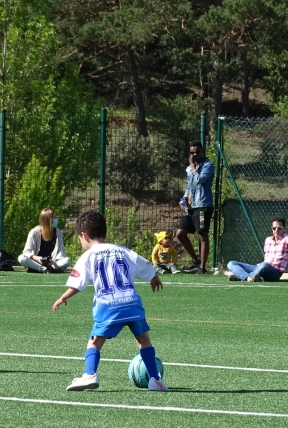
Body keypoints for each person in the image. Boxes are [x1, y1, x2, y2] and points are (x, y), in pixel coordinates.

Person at [52, 210, 168, 392]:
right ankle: (155, 380)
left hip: (108, 306)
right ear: (105, 233)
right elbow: (145, 265)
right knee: (143, 340)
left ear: (84, 235)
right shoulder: (123, 250)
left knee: (95, 341)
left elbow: (78, 284)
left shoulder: (88, 256)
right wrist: (154, 278)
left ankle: (89, 375)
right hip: (132, 304)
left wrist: (63, 297)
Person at [226, 217, 288, 282]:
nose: (276, 230)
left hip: (275, 272)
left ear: (284, 229)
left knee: (264, 265)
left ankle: (242, 277)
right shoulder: (268, 240)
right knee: (231, 263)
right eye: (274, 228)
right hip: (261, 267)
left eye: (279, 228)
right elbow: (266, 259)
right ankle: (248, 278)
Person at [176, 140, 214, 275]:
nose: (195, 154)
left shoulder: (208, 166)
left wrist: (193, 167)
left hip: (203, 206)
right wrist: (185, 198)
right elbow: (189, 186)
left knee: (202, 234)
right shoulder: (189, 169)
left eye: (197, 152)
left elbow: (200, 179)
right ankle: (195, 260)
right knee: (180, 233)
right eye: (192, 152)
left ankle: (202, 267)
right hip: (191, 207)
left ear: (202, 152)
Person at [18, 208, 71, 273]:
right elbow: (26, 252)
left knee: (67, 260)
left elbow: (61, 251)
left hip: (52, 263)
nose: (56, 220)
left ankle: (44, 269)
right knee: (21, 258)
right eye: (54, 218)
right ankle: (45, 269)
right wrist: (37, 258)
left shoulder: (58, 232)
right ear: (48, 220)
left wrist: (55, 260)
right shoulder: (34, 232)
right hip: (36, 262)